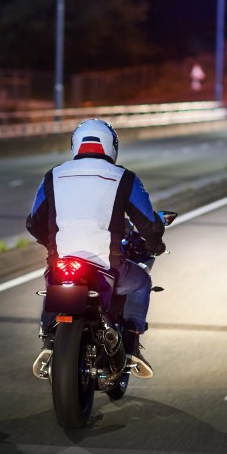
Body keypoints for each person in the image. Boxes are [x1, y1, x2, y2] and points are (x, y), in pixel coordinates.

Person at [26, 118, 165, 377]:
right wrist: (155, 244)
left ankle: (48, 339)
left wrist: (52, 245)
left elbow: (34, 223)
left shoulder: (53, 175)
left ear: (76, 145)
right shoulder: (124, 178)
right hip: (106, 265)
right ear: (112, 147)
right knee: (141, 282)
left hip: (63, 262)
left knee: (52, 278)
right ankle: (132, 344)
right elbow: (148, 224)